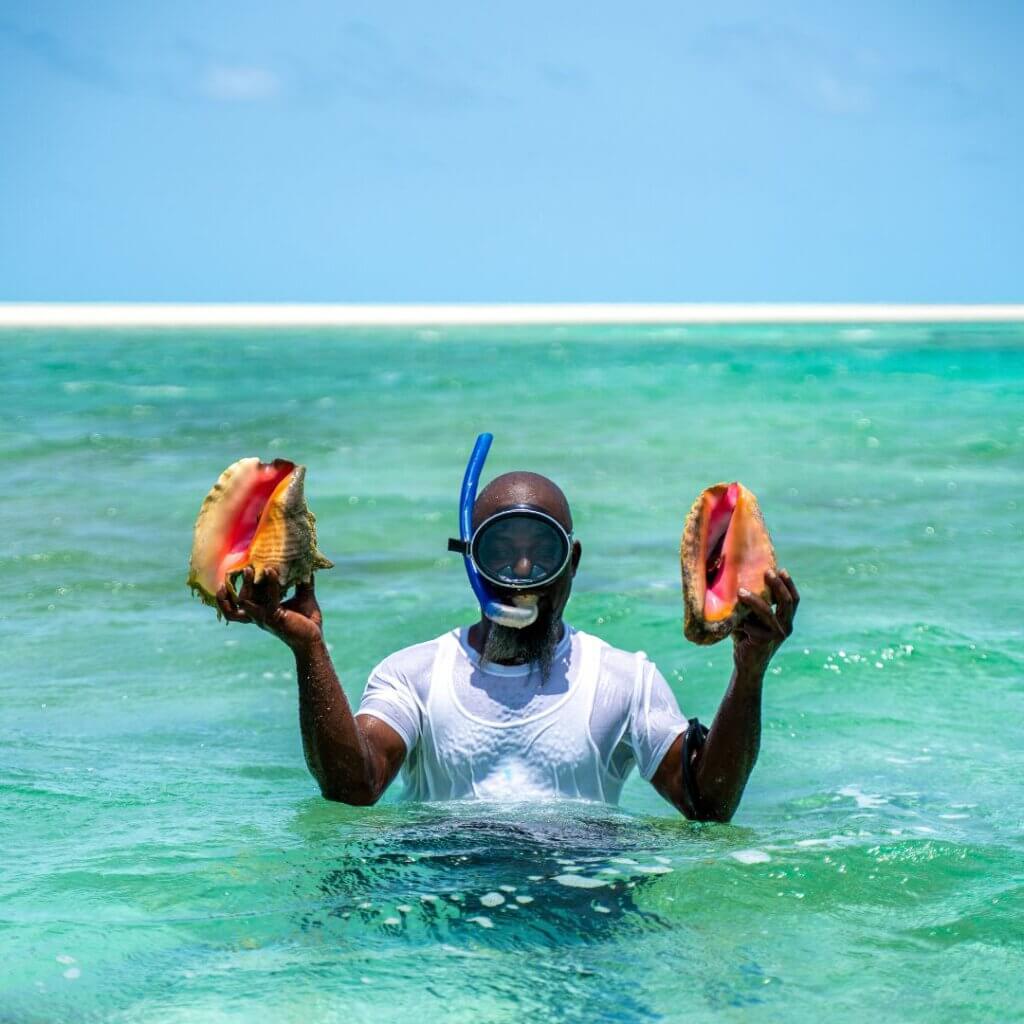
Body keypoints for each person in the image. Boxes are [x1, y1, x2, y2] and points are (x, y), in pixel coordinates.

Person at [216, 450, 798, 821]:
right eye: (501, 552)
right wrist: (308, 649)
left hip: (581, 903)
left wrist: (750, 673)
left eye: (540, 553)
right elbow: (354, 788)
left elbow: (709, 804)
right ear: (472, 563)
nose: (522, 574)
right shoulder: (414, 676)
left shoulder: (623, 679)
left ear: (571, 564)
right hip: (450, 900)